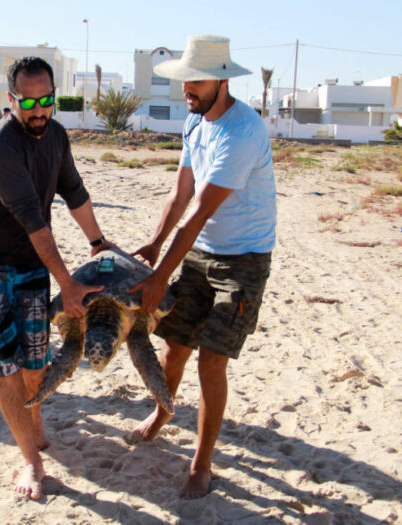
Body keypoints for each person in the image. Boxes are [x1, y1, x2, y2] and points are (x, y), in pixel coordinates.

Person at [0, 56, 115, 500]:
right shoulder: (2, 143)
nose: (39, 110)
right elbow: (33, 219)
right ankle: (31, 461)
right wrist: (68, 283)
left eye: (47, 100)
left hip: (28, 256)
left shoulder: (56, 136)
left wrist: (98, 241)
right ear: (11, 100)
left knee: (36, 361)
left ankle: (34, 418)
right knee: (6, 366)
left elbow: (75, 193)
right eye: (30, 102)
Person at [126, 35, 277, 498]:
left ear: (223, 81)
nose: (187, 88)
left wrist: (158, 279)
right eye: (184, 79)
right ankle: (163, 411)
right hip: (201, 253)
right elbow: (179, 195)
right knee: (174, 348)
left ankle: (202, 463)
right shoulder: (195, 124)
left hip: (244, 259)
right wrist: (153, 245)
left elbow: (200, 212)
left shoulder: (242, 131)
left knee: (211, 362)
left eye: (197, 80)